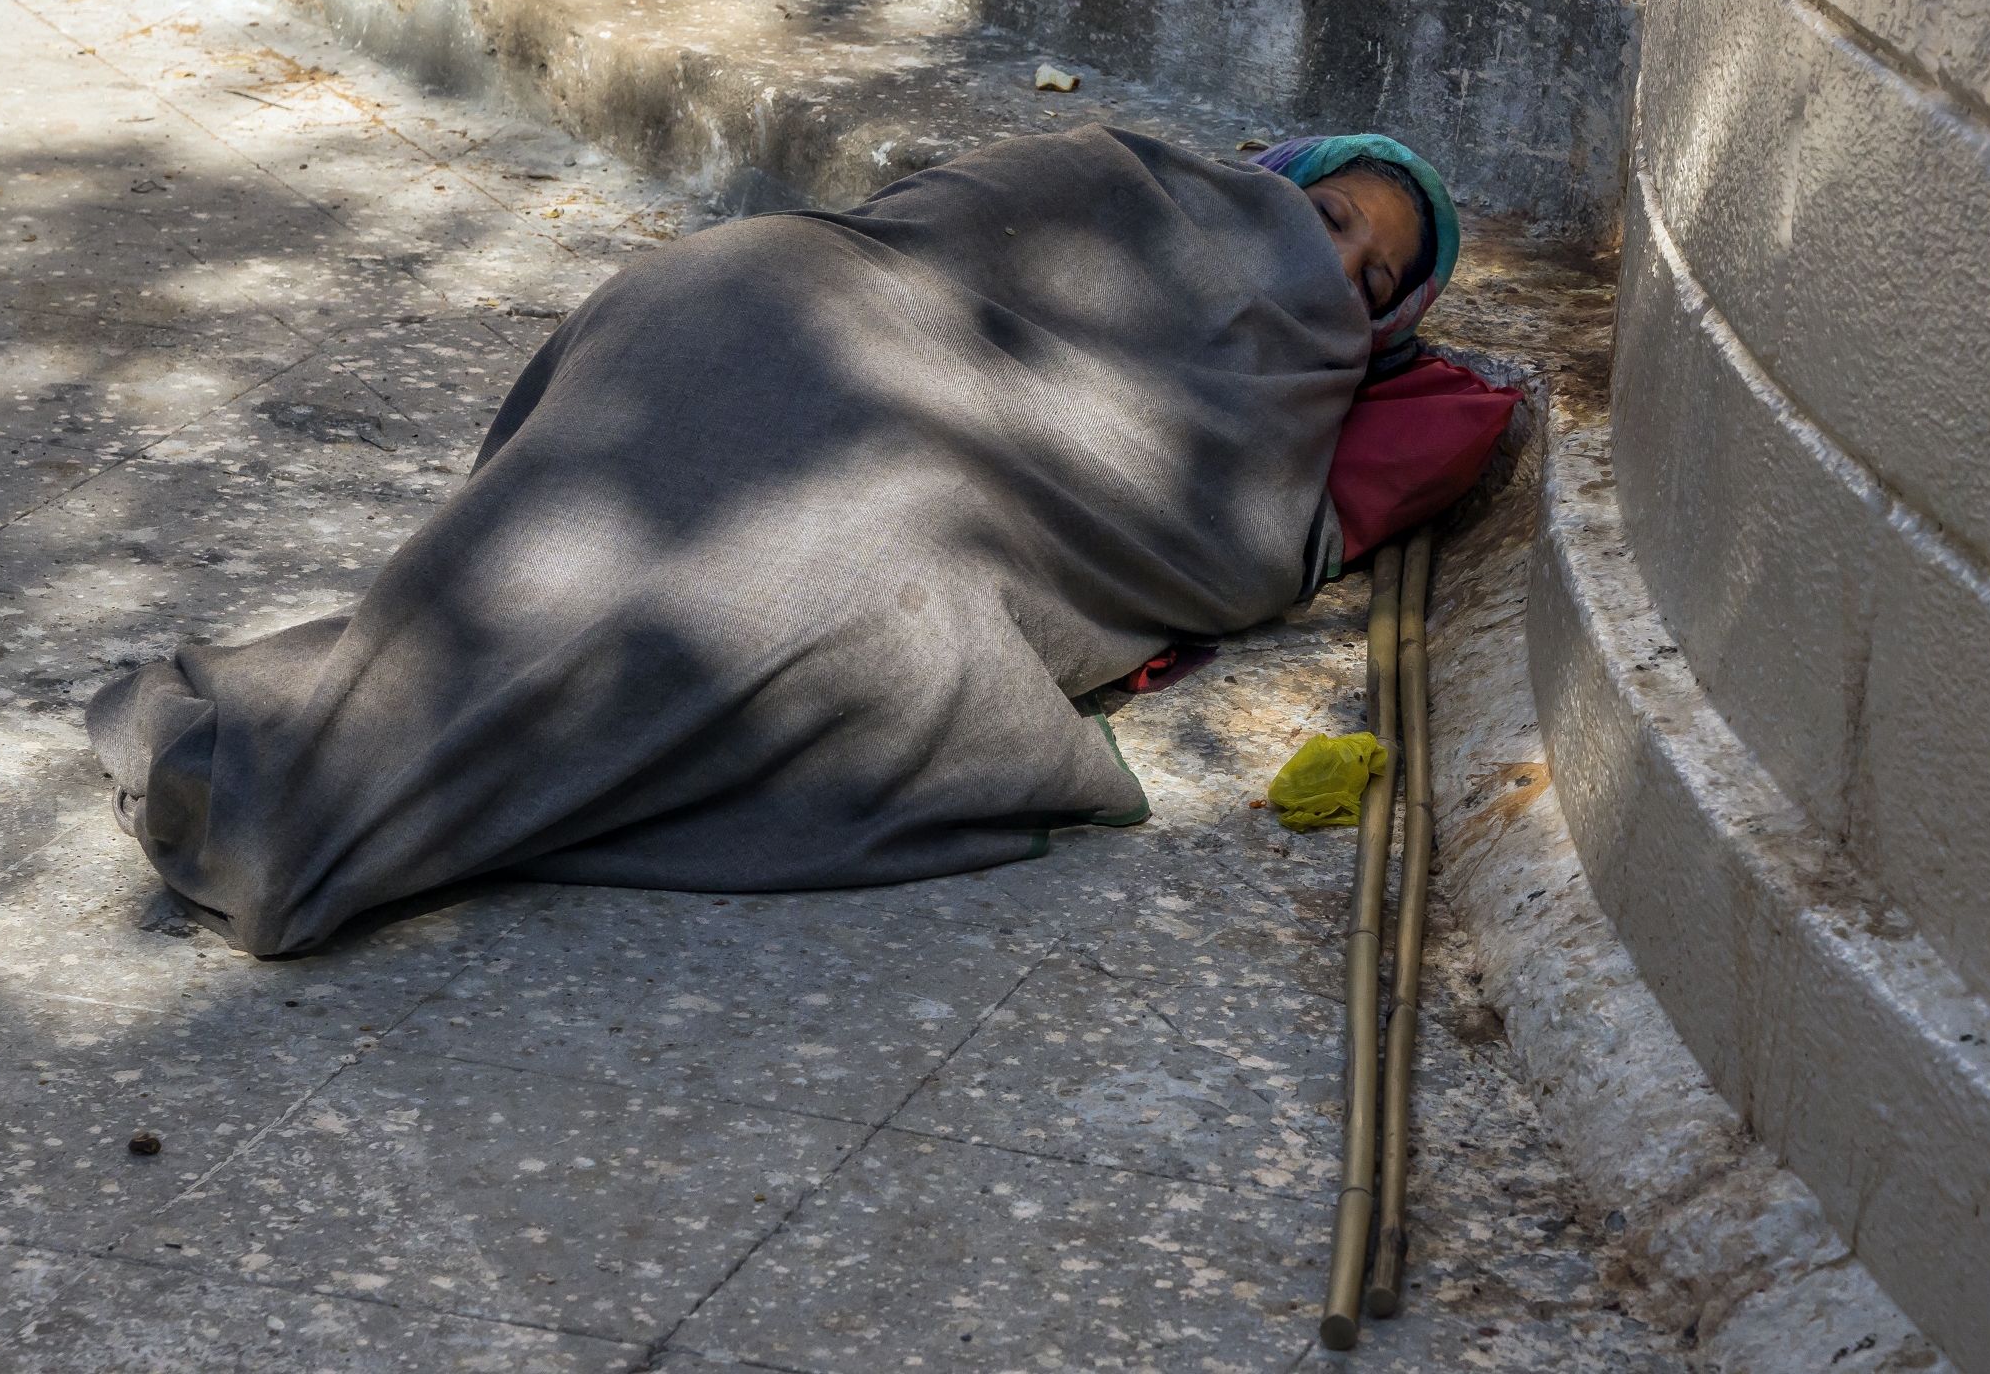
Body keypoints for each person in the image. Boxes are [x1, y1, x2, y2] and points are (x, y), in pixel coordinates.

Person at [90, 125, 1461, 958]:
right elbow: (940, 226)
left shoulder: (1283, 409)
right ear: (1265, 180)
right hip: (766, 307)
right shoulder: (1119, 177)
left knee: (808, 580)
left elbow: (1221, 545)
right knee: (569, 570)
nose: (1330, 267)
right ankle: (332, 786)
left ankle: (321, 793)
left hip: (918, 463)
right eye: (1328, 216)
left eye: (1371, 281)